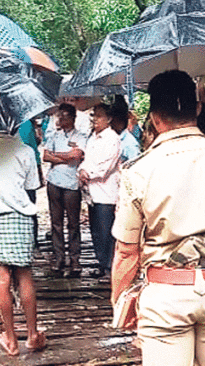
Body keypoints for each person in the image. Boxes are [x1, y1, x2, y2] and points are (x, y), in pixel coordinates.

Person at [110, 70, 205, 366]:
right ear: (198, 109)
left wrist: (121, 301)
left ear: (154, 117)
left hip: (167, 296)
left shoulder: (139, 170)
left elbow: (126, 251)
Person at [0, 133, 46, 356]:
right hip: (20, 215)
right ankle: (32, 335)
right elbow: (32, 185)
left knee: (2, 276)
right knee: (24, 274)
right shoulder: (26, 150)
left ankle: (10, 339)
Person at [42, 103, 88, 278]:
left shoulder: (81, 136)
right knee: (56, 222)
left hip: (71, 183)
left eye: (64, 116)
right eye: (59, 116)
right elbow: (46, 156)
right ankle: (59, 256)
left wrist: (57, 156)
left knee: (73, 222)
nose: (60, 119)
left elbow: (76, 156)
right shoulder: (54, 135)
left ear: (73, 118)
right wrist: (65, 156)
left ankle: (75, 258)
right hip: (54, 181)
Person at [78, 102, 121, 279]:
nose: (95, 119)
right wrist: (81, 170)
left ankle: (110, 266)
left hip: (106, 192)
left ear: (109, 119)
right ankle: (101, 263)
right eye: (94, 115)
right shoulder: (92, 138)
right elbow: (86, 160)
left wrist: (88, 173)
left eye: (99, 116)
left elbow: (106, 167)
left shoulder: (112, 139)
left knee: (106, 231)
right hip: (92, 192)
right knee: (96, 230)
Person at [18, 119, 44, 250]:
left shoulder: (25, 124)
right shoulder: (26, 123)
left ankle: (30, 240)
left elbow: (33, 148)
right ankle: (32, 240)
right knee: (29, 204)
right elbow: (33, 149)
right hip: (26, 170)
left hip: (18, 171)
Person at [107, 95, 141, 163]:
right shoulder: (109, 137)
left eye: (114, 119)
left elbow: (134, 163)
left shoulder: (129, 143)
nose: (111, 123)